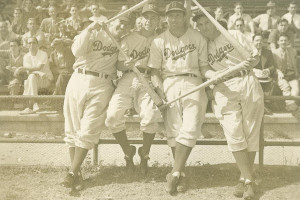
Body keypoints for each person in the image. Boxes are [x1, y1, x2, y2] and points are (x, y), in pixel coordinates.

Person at [194, 11, 264, 200]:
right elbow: (204, 69)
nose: (203, 28)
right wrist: (212, 76)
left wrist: (250, 63)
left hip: (247, 80)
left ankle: (244, 178)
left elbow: (255, 57)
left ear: (214, 22)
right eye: (199, 25)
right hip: (223, 86)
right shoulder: (203, 45)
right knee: (233, 132)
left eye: (206, 23)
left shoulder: (233, 34)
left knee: (250, 132)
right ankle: (249, 179)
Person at [61, 13, 131, 189]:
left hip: (103, 83)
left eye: (125, 25)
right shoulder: (93, 32)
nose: (121, 27)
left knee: (89, 128)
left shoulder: (123, 43)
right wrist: (90, 28)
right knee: (72, 129)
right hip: (79, 78)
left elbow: (122, 65)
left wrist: (128, 63)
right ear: (112, 20)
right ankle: (77, 174)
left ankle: (72, 173)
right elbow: (76, 51)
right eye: (119, 22)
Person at [148, 1, 208, 194]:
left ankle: (174, 172)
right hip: (169, 82)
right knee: (174, 131)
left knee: (190, 128)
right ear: (166, 18)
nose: (173, 19)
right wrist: (160, 91)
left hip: (194, 81)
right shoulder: (158, 41)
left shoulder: (197, 37)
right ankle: (180, 175)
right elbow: (154, 72)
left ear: (184, 17)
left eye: (177, 15)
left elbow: (204, 66)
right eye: (170, 15)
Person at [105, 3, 162, 175]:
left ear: (158, 20)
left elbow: (157, 69)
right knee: (113, 117)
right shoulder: (129, 38)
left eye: (153, 17)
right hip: (128, 77)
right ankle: (128, 152)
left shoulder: (160, 39)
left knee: (150, 116)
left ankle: (144, 154)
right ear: (140, 19)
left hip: (147, 79)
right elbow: (119, 65)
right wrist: (126, 65)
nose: (149, 21)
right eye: (146, 17)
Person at [20, 37, 53, 114]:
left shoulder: (43, 54)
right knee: (31, 77)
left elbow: (38, 67)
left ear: (37, 44)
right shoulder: (26, 56)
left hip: (46, 79)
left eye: (33, 43)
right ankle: (34, 104)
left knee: (29, 80)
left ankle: (29, 106)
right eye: (29, 43)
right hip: (34, 80)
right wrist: (39, 73)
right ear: (27, 45)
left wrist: (25, 69)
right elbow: (29, 72)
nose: (31, 45)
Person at [272, 34, 299, 112]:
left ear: (288, 42)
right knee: (286, 87)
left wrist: (297, 75)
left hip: (292, 75)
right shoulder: (274, 53)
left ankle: (290, 107)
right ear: (278, 42)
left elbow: (295, 64)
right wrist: (278, 71)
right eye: (281, 40)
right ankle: (292, 107)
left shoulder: (293, 51)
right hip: (281, 75)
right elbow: (272, 66)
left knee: (296, 89)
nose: (283, 42)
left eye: (285, 40)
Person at [252, 33, 277, 114]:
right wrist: (254, 70)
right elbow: (245, 65)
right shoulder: (248, 52)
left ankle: (263, 107)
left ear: (263, 42)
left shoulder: (268, 52)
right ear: (253, 42)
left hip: (265, 78)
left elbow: (273, 66)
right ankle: (261, 109)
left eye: (260, 41)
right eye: (256, 40)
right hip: (252, 77)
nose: (258, 42)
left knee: (271, 84)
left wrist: (268, 70)